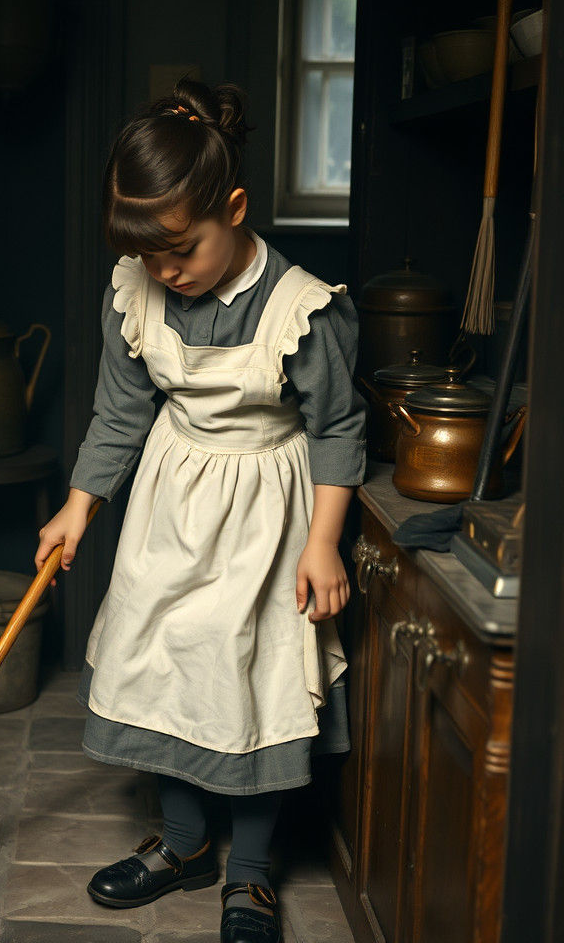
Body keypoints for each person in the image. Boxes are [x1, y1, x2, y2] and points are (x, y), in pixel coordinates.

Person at [34, 77, 366, 943]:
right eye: (147, 256)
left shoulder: (305, 310)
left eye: (180, 250)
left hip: (266, 513)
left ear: (237, 209)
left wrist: (324, 544)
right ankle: (184, 845)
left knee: (247, 681)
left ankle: (249, 875)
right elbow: (119, 412)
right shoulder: (135, 291)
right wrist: (79, 509)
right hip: (170, 506)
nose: (164, 272)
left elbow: (337, 430)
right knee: (166, 662)